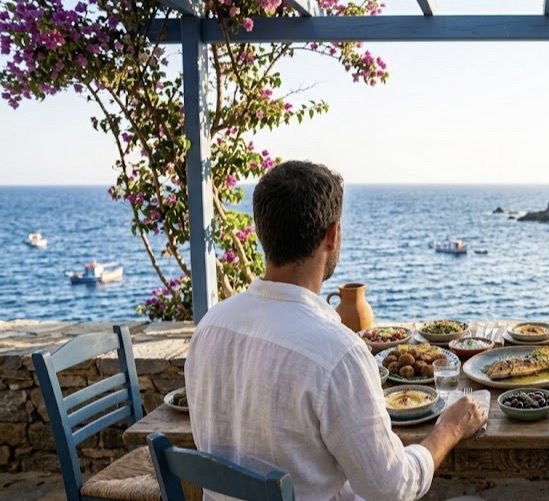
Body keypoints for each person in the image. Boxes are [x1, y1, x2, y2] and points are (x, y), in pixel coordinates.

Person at [186, 160, 488, 501]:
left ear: (261, 232)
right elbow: (392, 487)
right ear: (332, 235)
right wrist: (448, 429)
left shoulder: (210, 328)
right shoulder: (337, 354)